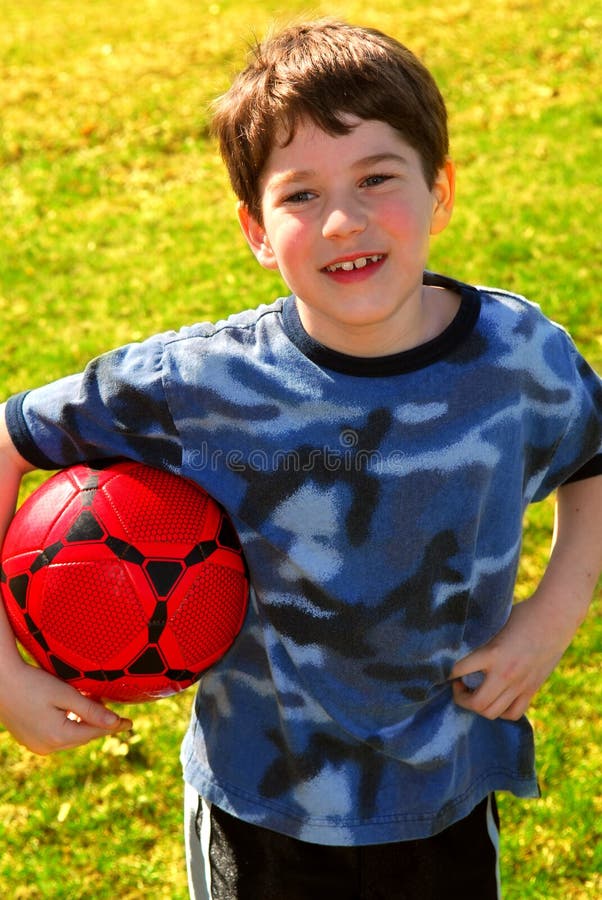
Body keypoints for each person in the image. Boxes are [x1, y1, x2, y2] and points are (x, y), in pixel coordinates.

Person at [1, 18, 601, 899]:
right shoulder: (199, 383)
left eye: (376, 179)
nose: (344, 221)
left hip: (445, 794)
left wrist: (550, 617)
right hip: (258, 811)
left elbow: (593, 458)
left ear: (441, 189)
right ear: (254, 228)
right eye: (300, 196)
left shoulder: (514, 358)